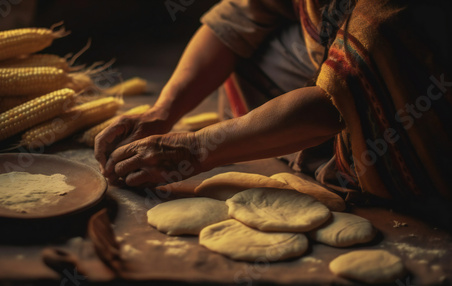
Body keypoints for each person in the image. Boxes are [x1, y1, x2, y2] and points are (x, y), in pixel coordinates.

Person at [95, 0, 452, 220]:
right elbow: (237, 16)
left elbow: (335, 101)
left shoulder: (392, 15)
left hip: (413, 86)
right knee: (256, 44)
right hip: (331, 59)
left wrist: (195, 148)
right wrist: (162, 111)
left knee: (373, 107)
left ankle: (341, 154)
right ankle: (276, 134)